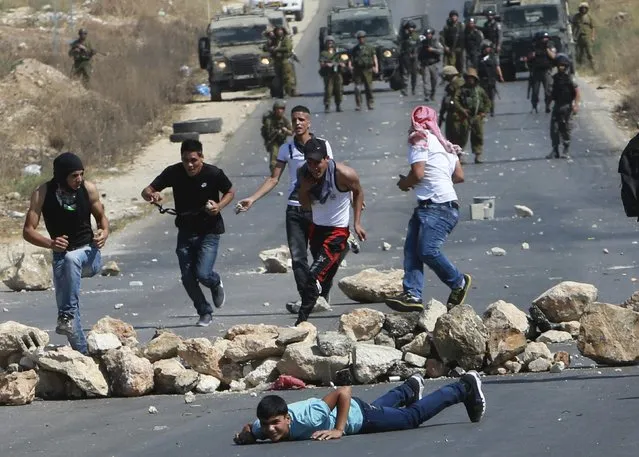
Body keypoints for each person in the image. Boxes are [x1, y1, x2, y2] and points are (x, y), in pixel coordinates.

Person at [237, 105, 333, 314]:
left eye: (301, 119)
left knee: (321, 255)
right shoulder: (286, 149)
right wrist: (252, 198)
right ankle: (308, 298)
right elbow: (274, 178)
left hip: (318, 210)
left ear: (309, 122)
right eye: (294, 120)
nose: (297, 123)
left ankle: (322, 294)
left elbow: (332, 174)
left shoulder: (323, 146)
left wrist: (349, 197)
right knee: (298, 257)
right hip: (295, 210)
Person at [233, 371, 486, 444]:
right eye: (266, 425)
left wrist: (339, 429)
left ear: (288, 418)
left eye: (275, 423)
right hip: (359, 409)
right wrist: (247, 434)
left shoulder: (311, 417)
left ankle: (463, 388)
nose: (271, 429)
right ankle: (408, 389)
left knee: (410, 418)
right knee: (382, 409)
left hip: (358, 416)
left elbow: (343, 392)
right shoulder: (262, 428)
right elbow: (249, 428)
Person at [385, 106, 471, 312]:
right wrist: (438, 179)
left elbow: (419, 173)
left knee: (427, 250)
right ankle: (412, 294)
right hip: (440, 204)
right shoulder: (444, 144)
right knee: (412, 251)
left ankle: (458, 282)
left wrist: (406, 183)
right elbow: (459, 176)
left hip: (437, 206)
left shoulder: (419, 138)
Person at [141, 139, 235, 327]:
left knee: (203, 273)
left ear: (201, 157)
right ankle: (204, 311)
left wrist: (219, 206)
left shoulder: (214, 173)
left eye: (193, 160)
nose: (190, 165)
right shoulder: (173, 172)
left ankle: (215, 283)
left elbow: (230, 191)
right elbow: (146, 190)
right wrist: (152, 195)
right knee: (187, 277)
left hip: (209, 231)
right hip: (185, 230)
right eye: (186, 160)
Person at [22, 152, 109, 355]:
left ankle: (67, 316)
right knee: (67, 308)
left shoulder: (88, 189)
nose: (79, 179)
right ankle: (82, 354)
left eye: (81, 174)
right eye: (74, 176)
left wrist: (104, 233)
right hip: (61, 256)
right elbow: (28, 231)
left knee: (72, 260)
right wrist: (50, 243)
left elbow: (102, 218)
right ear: (61, 176)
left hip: (88, 254)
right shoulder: (42, 193)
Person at [295, 137, 366, 325]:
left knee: (312, 276)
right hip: (317, 230)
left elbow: (358, 192)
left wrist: (357, 222)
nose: (314, 167)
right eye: (309, 162)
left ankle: (300, 322)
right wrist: (304, 189)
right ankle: (319, 296)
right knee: (324, 276)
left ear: (326, 159)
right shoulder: (303, 174)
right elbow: (305, 206)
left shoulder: (343, 174)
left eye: (317, 162)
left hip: (337, 232)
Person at [452, 68, 491, 164]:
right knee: (462, 136)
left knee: (478, 135)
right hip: (464, 117)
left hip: (477, 116)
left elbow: (487, 102)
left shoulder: (479, 90)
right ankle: (459, 156)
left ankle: (478, 155)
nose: (470, 80)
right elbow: (455, 101)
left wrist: (484, 112)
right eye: (469, 78)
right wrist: (462, 110)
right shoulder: (461, 90)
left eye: (472, 78)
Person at [547, 55, 580, 159]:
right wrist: (548, 104)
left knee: (565, 129)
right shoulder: (555, 78)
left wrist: (576, 105)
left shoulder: (570, 79)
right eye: (559, 66)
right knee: (554, 129)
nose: (561, 68)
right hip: (557, 106)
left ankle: (566, 149)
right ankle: (555, 150)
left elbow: (577, 92)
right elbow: (552, 93)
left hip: (567, 107)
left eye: (562, 66)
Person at [527, 31, 556, 113]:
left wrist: (547, 49)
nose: (545, 40)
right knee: (535, 91)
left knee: (548, 91)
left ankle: (548, 105)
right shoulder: (534, 46)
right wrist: (533, 54)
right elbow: (529, 57)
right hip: (536, 71)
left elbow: (553, 56)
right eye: (544, 38)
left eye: (546, 38)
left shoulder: (550, 45)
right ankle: (534, 106)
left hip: (546, 71)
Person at [261, 100, 293, 174]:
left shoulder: (284, 120)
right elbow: (267, 133)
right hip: (273, 141)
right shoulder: (269, 120)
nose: (279, 111)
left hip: (282, 141)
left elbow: (291, 132)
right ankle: (274, 173)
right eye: (277, 109)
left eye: (281, 109)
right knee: (274, 158)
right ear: (274, 110)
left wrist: (285, 130)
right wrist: (275, 132)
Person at [265, 26, 297, 98]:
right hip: (277, 61)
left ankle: (290, 92)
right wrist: (271, 48)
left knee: (287, 77)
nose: (279, 32)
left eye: (280, 30)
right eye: (278, 30)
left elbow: (288, 48)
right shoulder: (274, 40)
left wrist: (277, 49)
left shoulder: (286, 39)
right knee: (278, 78)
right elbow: (267, 47)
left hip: (285, 60)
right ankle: (280, 93)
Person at [351, 30, 378, 111]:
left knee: (369, 88)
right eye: (359, 38)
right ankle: (358, 104)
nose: (361, 39)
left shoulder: (370, 47)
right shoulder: (355, 49)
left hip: (367, 70)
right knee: (357, 88)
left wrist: (376, 67)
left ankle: (370, 103)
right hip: (358, 70)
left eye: (362, 38)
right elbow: (351, 58)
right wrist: (350, 66)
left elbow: (374, 57)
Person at [319, 36, 347, 113]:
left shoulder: (337, 52)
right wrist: (327, 64)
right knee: (328, 90)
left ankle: (338, 105)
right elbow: (321, 63)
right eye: (328, 42)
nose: (330, 44)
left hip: (337, 73)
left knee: (339, 89)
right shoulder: (324, 53)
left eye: (331, 42)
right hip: (328, 74)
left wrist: (341, 64)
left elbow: (344, 61)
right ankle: (327, 105)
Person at [477, 41, 504, 117]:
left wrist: (500, 76)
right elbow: (475, 68)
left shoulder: (493, 57)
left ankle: (492, 111)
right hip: (482, 80)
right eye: (486, 48)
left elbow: (497, 67)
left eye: (489, 48)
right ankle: (485, 110)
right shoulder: (479, 58)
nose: (488, 49)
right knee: (483, 96)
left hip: (491, 80)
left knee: (491, 96)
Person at [418, 28, 443, 102]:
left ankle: (433, 94)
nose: (428, 35)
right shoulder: (422, 43)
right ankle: (427, 95)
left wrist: (433, 50)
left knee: (434, 80)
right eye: (427, 34)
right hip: (425, 64)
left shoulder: (435, 42)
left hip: (433, 64)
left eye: (430, 34)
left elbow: (441, 50)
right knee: (426, 81)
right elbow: (418, 53)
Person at [439, 65, 465, 133]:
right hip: (451, 113)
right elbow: (445, 100)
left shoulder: (459, 84)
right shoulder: (450, 85)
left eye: (446, 75)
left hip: (458, 115)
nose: (444, 78)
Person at [398, 21, 420, 96]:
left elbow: (419, 46)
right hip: (405, 56)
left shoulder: (416, 36)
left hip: (414, 57)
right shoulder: (403, 36)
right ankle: (405, 89)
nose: (410, 29)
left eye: (412, 28)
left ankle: (413, 89)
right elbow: (399, 43)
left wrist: (415, 54)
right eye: (409, 28)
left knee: (414, 74)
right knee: (405, 74)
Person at [572, 2, 596, 70]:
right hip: (578, 37)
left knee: (590, 53)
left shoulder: (589, 17)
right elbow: (573, 27)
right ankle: (580, 68)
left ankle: (593, 68)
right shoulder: (576, 17)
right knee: (580, 53)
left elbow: (593, 27)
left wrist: (592, 36)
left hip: (587, 37)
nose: (583, 9)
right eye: (582, 8)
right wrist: (573, 36)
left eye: (585, 8)